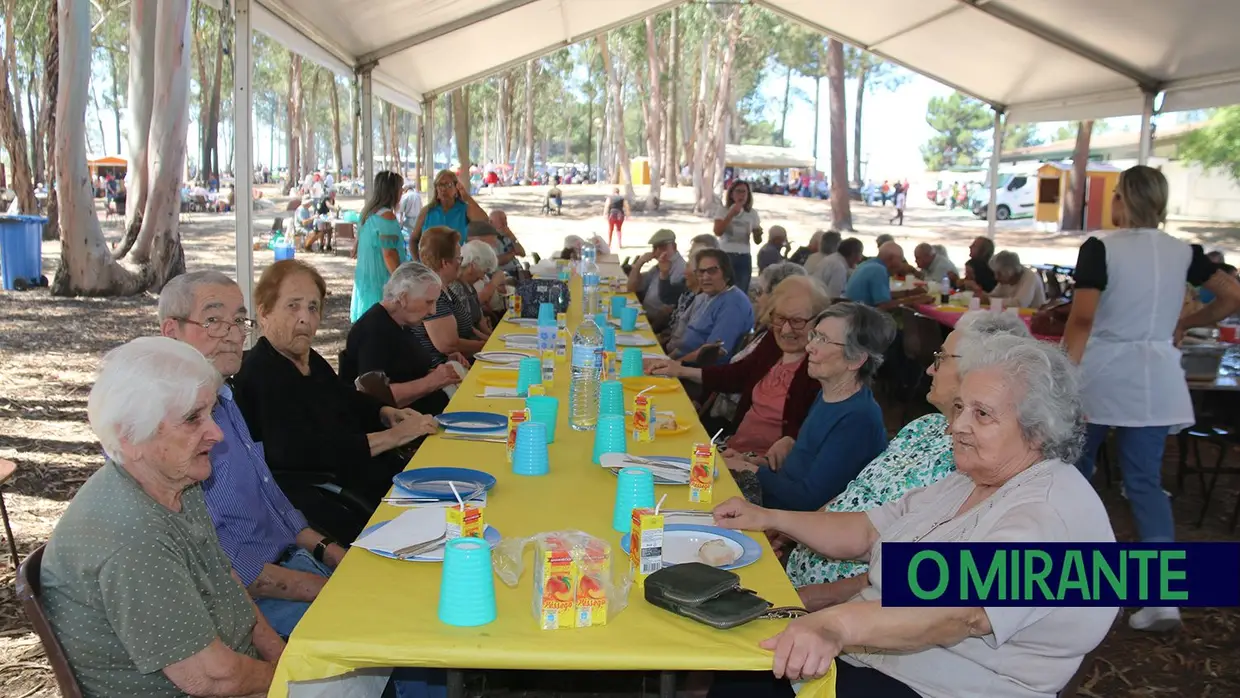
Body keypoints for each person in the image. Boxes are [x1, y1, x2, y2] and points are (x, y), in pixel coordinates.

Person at [710, 334, 1117, 698]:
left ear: (1039, 431)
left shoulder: (1048, 514)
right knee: (736, 676)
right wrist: (768, 518)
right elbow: (865, 531)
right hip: (877, 661)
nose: (957, 425)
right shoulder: (970, 480)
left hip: (936, 685)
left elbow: (959, 613)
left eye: (982, 414)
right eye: (959, 407)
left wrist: (835, 626)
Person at [41, 337, 283, 697]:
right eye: (192, 419)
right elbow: (210, 677)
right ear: (130, 436)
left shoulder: (175, 480)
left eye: (211, 412)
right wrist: (293, 680)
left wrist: (286, 658)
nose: (216, 433)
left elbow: (227, 582)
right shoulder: (131, 538)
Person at [1066, 165, 1240, 632]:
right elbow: (1231, 295)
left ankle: (1078, 582)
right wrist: (1184, 323)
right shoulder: (1185, 252)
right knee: (1145, 483)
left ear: (1122, 198)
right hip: (1156, 375)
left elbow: (1082, 319)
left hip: (1102, 373)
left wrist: (1061, 373)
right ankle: (1162, 599)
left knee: (1075, 472)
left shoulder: (1101, 247)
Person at [786, 311, 1031, 609]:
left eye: (940, 358)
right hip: (801, 567)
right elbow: (858, 492)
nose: (929, 369)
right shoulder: (924, 425)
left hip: (846, 609)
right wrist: (793, 530)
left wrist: (823, 599)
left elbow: (923, 573)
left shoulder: (973, 460)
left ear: (979, 370)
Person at [157, 271, 351, 639]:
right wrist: (320, 587)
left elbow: (273, 500)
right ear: (171, 332)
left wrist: (329, 551)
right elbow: (221, 561)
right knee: (378, 633)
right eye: (213, 320)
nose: (231, 332)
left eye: (238, 320)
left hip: (294, 563)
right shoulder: (169, 428)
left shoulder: (226, 399)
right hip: (245, 603)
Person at [232, 260, 440, 507]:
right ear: (264, 313)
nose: (305, 319)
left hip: (362, 472)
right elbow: (304, 452)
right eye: (292, 306)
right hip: (333, 496)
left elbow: (341, 395)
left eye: (312, 307)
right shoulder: (261, 374)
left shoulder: (308, 358)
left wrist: (384, 412)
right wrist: (391, 437)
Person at [718, 303, 892, 511]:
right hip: (777, 508)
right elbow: (800, 470)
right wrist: (753, 462)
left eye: (823, 340)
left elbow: (809, 500)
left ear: (855, 360)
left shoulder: (857, 419)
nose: (810, 347)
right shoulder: (828, 395)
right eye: (815, 335)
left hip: (788, 521)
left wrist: (748, 469)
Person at [653, 276, 829, 456]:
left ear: (818, 322)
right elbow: (738, 374)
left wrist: (759, 463)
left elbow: (811, 435)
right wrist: (680, 369)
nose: (785, 330)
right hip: (731, 448)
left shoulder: (821, 367)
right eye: (780, 317)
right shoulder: (773, 343)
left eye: (797, 321)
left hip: (760, 466)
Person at [341, 262, 462, 417]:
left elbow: (404, 371)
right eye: (429, 302)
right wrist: (432, 381)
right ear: (403, 298)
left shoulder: (402, 322)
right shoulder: (374, 330)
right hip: (405, 425)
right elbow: (376, 397)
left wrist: (442, 372)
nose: (433, 311)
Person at [411, 226, 487, 366]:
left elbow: (469, 328)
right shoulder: (432, 293)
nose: (461, 263)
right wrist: (487, 347)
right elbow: (448, 344)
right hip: (439, 370)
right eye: (459, 258)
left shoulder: (445, 288)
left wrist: (489, 341)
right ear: (445, 263)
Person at [669, 249, 755, 364]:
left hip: (698, 373)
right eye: (701, 272)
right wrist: (667, 359)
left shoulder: (733, 303)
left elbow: (713, 352)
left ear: (726, 273)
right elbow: (685, 343)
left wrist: (675, 363)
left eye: (712, 271)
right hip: (680, 363)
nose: (705, 277)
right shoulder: (706, 296)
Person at [350, 170, 406, 323]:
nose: (402, 192)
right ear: (393, 191)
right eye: (400, 188)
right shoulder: (386, 217)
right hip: (381, 282)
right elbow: (389, 254)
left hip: (366, 280)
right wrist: (404, 282)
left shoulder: (366, 214)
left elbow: (355, 250)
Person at [409, 169, 488, 252]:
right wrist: (418, 261)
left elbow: (484, 220)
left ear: (456, 188)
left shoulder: (464, 209)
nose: (443, 189)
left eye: (448, 185)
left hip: (457, 261)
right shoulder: (427, 211)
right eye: (440, 185)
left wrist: (467, 197)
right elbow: (413, 240)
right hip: (428, 263)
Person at [627, 229, 687, 332]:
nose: (658, 251)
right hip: (643, 315)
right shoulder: (659, 266)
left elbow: (667, 310)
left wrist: (651, 330)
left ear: (674, 247)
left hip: (656, 323)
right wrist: (639, 264)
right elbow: (631, 287)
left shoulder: (680, 269)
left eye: (663, 247)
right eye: (655, 248)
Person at [844, 242, 932, 310]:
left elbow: (878, 295)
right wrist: (913, 301)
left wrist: (908, 294)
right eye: (901, 260)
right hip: (863, 321)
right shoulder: (878, 270)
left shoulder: (868, 264)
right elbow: (884, 306)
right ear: (891, 259)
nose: (902, 264)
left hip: (854, 312)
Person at [713, 179, 763, 293]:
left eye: (745, 192)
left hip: (744, 256)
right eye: (738, 191)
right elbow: (717, 231)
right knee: (723, 289)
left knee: (742, 290)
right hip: (726, 254)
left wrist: (758, 233)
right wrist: (731, 215)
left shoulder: (752, 214)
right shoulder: (723, 210)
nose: (742, 195)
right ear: (731, 193)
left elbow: (758, 241)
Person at [454, 239, 504, 337]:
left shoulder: (470, 287)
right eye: (484, 272)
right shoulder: (456, 287)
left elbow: (480, 321)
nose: (482, 277)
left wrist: (492, 338)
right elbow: (467, 329)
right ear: (472, 266)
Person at [965, 250, 1046, 308]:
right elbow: (995, 296)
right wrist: (979, 293)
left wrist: (989, 300)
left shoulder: (1030, 277)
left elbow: (1019, 304)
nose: (996, 278)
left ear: (1010, 271)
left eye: (999, 274)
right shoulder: (1005, 280)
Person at [488, 209, 526, 275]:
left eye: (505, 218)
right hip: (506, 274)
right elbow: (498, 261)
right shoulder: (489, 239)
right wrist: (513, 253)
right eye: (500, 219)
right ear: (491, 223)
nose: (504, 222)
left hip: (518, 270)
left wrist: (512, 237)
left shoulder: (507, 235)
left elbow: (522, 253)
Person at [398, 180, 423, 245]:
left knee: (408, 238)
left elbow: (401, 210)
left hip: (408, 220)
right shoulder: (418, 195)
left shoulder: (405, 196)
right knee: (416, 237)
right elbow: (421, 208)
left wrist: (401, 221)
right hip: (418, 219)